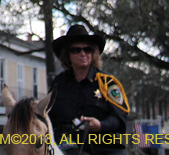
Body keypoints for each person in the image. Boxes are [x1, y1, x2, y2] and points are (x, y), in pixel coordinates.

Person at [48, 25, 130, 155]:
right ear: (67, 55)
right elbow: (48, 120)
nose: (83, 54)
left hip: (105, 148)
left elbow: (120, 120)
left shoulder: (107, 83)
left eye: (87, 49)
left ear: (93, 54)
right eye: (76, 50)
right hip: (67, 148)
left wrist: (100, 125)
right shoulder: (58, 84)